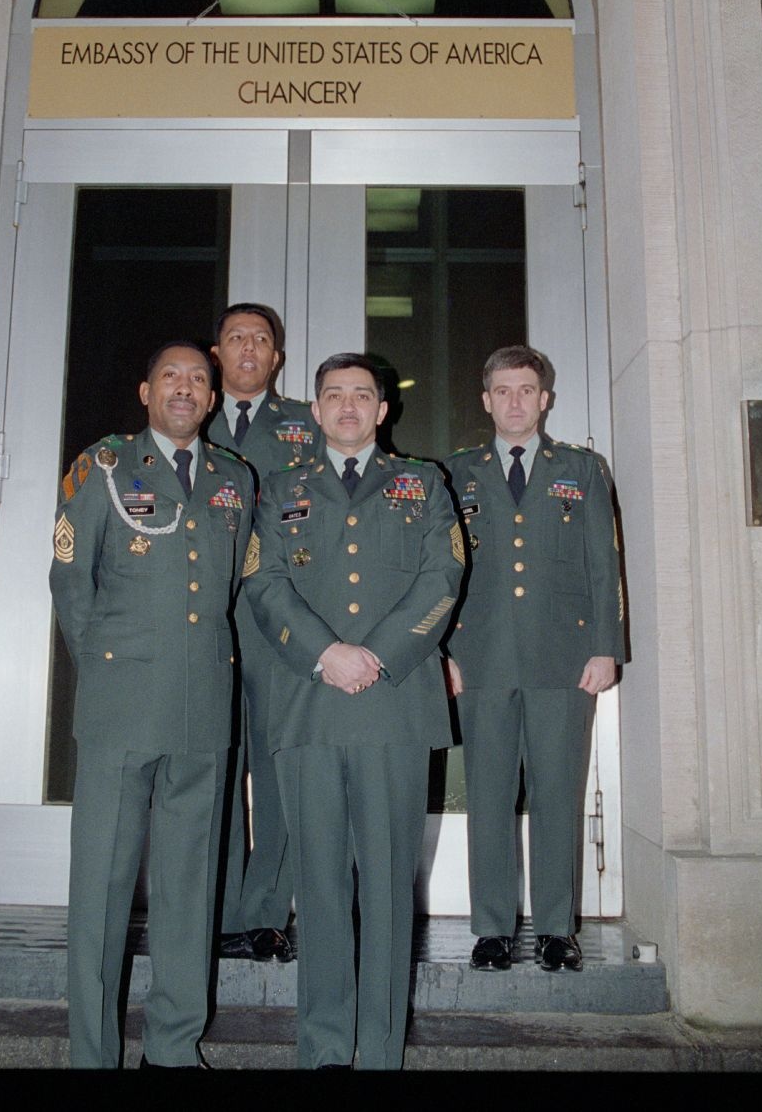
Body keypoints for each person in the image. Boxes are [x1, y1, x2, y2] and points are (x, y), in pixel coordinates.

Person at [242, 353, 464, 1070]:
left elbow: (445, 575)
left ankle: (378, 1055)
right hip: (308, 705)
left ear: (382, 410)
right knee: (320, 886)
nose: (346, 406)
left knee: (390, 889)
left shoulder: (424, 483)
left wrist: (376, 653)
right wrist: (327, 654)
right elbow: (264, 584)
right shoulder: (279, 489)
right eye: (333, 394)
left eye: (361, 395)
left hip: (395, 708)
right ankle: (324, 1050)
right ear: (315, 410)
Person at [49, 341, 254, 1069]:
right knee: (101, 888)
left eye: (199, 379)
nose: (185, 388)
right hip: (122, 709)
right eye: (171, 375)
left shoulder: (235, 479)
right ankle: (93, 1055)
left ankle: (172, 1047)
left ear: (213, 398)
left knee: (189, 888)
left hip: (204, 711)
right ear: (145, 391)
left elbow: (234, 592)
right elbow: (73, 586)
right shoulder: (103, 469)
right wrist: (111, 674)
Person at [444, 345, 625, 974]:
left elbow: (604, 565)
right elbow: (440, 574)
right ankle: (492, 928)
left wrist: (606, 646)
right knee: (489, 796)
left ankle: (555, 928)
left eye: (527, 390)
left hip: (564, 658)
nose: (516, 401)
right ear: (486, 398)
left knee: (556, 794)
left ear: (545, 399)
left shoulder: (583, 468)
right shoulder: (455, 473)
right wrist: (445, 650)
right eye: (503, 390)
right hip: (482, 656)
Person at [206, 302, 321, 964]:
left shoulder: (306, 425)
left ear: (277, 359)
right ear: (217, 353)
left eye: (262, 340)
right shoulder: (188, 416)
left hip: (281, 624)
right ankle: (215, 911)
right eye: (236, 338)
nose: (249, 348)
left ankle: (265, 913)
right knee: (214, 767)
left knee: (277, 771)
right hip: (207, 626)